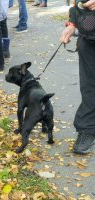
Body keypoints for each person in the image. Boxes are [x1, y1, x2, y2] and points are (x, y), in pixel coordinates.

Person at [60, 0, 95, 154]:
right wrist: (72, 24)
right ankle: (87, 129)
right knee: (89, 86)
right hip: (88, 38)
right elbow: (78, 4)